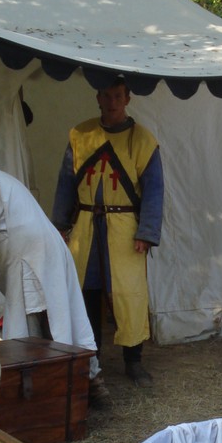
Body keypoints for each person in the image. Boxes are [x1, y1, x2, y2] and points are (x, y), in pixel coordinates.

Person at [0, 146, 108, 403]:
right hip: (42, 255)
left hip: (32, 262)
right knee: (62, 321)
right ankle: (83, 384)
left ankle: (65, 391)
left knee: (41, 332)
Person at [52, 77, 164, 388]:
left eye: (117, 96)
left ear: (127, 99)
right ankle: (91, 358)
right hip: (86, 226)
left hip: (125, 230)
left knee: (129, 294)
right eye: (106, 95)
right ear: (98, 98)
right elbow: (66, 183)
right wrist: (60, 225)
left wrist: (146, 231)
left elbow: (154, 190)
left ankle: (133, 361)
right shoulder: (81, 135)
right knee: (85, 293)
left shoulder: (143, 141)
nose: (112, 102)